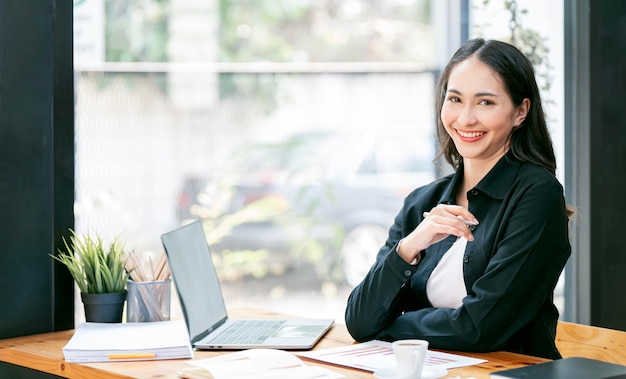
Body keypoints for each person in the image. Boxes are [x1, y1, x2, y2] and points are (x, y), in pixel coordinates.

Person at [344, 38, 572, 360]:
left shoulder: (537, 195)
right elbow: (358, 320)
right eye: (455, 99)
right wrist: (408, 248)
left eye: (485, 103)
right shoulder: (422, 202)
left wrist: (392, 326)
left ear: (520, 112)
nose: (465, 119)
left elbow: (481, 326)